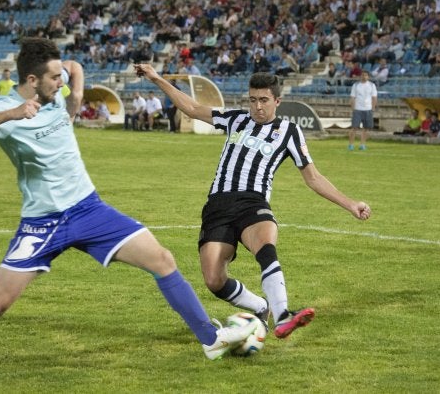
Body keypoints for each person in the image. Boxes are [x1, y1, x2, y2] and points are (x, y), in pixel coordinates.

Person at [0, 38, 253, 371]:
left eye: (60, 76)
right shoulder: (5, 108)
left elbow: (76, 67)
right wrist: (12, 113)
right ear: (32, 80)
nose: (60, 81)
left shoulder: (58, 87)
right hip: (42, 223)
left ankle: (211, 340)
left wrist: (75, 97)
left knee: (162, 259)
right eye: (53, 78)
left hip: (89, 210)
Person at [134, 63, 372, 339]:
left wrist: (351, 204)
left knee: (265, 246)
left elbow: (314, 178)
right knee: (213, 279)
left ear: (277, 101)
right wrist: (156, 78)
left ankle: (283, 314)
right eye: (253, 100)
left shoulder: (289, 132)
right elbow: (192, 108)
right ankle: (260, 307)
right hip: (218, 206)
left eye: (264, 100)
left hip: (253, 202)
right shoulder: (235, 119)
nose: (258, 106)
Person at [348, 71, 377, 151]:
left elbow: (374, 97)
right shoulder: (356, 85)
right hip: (358, 109)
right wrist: (353, 108)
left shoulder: (372, 85)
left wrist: (373, 108)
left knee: (366, 128)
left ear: (368, 76)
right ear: (360, 76)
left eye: (366, 75)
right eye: (363, 75)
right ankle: (351, 144)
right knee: (354, 127)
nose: (364, 76)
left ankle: (362, 144)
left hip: (368, 109)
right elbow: (352, 97)